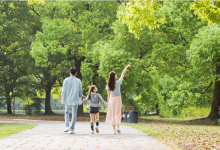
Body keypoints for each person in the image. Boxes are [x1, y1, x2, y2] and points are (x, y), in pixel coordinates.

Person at [105, 64, 131, 134]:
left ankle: (114, 130)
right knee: (118, 113)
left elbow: (108, 95)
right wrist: (126, 67)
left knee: (113, 114)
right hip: (118, 99)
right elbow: (123, 74)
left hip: (112, 99)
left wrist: (108, 103)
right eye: (115, 75)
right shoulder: (118, 82)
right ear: (114, 76)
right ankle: (118, 127)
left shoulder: (108, 85)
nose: (116, 75)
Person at [61, 67, 83, 134]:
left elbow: (63, 91)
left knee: (66, 112)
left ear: (70, 73)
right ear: (76, 73)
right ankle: (72, 129)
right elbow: (80, 91)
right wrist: (81, 100)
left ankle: (67, 126)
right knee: (74, 114)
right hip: (75, 99)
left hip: (67, 99)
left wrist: (62, 99)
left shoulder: (66, 80)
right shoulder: (79, 80)